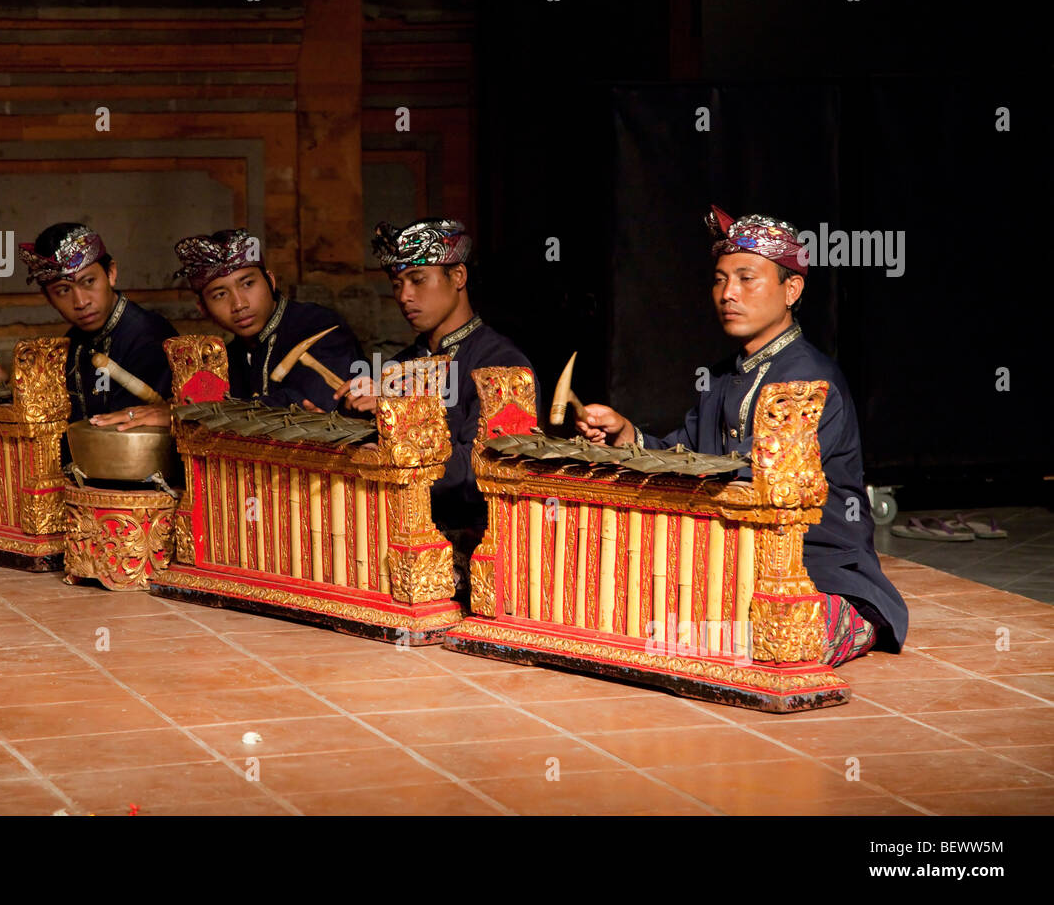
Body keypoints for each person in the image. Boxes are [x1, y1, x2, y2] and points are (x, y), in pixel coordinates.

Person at [576, 205, 908, 665]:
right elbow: (684, 452)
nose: (728, 293)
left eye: (746, 278)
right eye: (719, 279)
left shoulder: (810, 383)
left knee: (763, 643)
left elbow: (764, 484)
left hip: (814, 571)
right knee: (616, 604)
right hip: (732, 564)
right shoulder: (720, 377)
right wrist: (625, 435)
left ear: (791, 289)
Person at [337, 218, 537, 558]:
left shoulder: (501, 363)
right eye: (396, 283)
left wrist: (400, 417)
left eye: (418, 280)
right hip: (394, 537)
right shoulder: (401, 363)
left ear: (457, 277)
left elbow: (488, 468)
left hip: (469, 548)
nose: (404, 296)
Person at [0, 223, 175, 431]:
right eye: (63, 291)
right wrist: (10, 386)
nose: (80, 302)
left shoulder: (149, 336)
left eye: (88, 281)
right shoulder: (74, 341)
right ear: (48, 298)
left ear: (111, 273)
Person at [173, 228, 363, 410]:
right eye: (220, 295)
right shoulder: (226, 357)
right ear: (203, 309)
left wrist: (201, 413)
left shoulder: (320, 326)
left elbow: (304, 405)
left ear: (270, 281)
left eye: (248, 284)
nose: (239, 304)